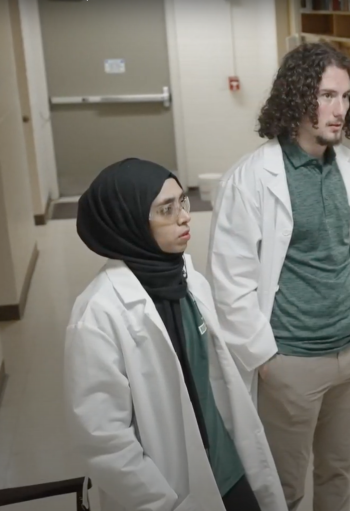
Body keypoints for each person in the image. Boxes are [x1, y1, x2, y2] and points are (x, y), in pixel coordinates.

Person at [207, 41, 350, 511]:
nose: (339, 109)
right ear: (297, 96)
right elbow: (230, 279)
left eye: (345, 97)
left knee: (337, 474)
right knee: (281, 487)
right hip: (292, 360)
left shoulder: (346, 164)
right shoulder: (251, 178)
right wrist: (267, 359)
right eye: (326, 96)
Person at [64, 159, 286, 511]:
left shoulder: (188, 280)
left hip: (226, 468)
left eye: (182, 202)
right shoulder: (99, 313)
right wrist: (161, 502)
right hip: (167, 489)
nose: (185, 216)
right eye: (166, 210)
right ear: (130, 222)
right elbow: (104, 439)